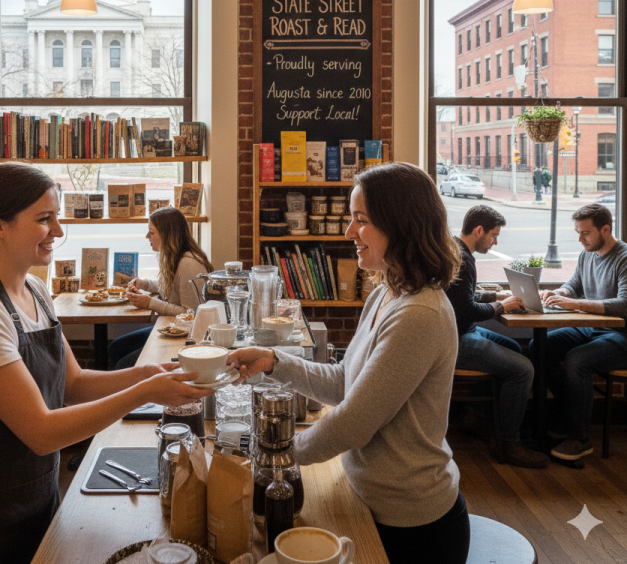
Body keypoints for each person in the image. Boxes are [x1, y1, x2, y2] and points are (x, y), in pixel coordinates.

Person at [0, 164, 210, 564]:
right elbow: (41, 432)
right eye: (44, 219)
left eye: (56, 217)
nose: (57, 230)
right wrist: (145, 392)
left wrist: (147, 373)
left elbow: (74, 383)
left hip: (35, 502)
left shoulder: (36, 290)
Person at [228, 163, 470, 564]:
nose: (348, 232)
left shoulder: (419, 314)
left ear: (401, 226)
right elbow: (345, 382)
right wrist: (273, 362)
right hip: (368, 498)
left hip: (412, 523)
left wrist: (275, 455)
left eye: (361, 220)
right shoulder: (386, 294)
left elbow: (354, 423)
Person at [445, 205, 548, 468]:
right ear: (479, 230)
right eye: (494, 236)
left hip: (463, 331)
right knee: (523, 370)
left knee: (514, 347)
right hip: (456, 340)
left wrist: (496, 295)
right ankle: (508, 444)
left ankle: (475, 417)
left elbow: (462, 298)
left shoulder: (457, 250)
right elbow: (466, 310)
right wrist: (502, 306)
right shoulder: (463, 259)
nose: (495, 242)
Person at [535, 203, 627, 461]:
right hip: (593, 328)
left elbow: (624, 305)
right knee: (539, 347)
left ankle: (580, 439)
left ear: (605, 229)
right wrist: (558, 293)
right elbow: (574, 284)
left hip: (621, 335)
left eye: (585, 233)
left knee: (578, 360)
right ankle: (570, 415)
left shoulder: (624, 258)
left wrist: (576, 304)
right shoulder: (587, 255)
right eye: (578, 232)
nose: (580, 239)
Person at [108, 206, 212, 369]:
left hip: (187, 337)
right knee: (116, 348)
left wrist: (150, 303)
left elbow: (191, 314)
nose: (147, 236)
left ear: (167, 235)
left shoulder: (189, 264)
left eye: (151, 232)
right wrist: (145, 284)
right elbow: (173, 287)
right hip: (173, 328)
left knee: (123, 363)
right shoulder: (174, 257)